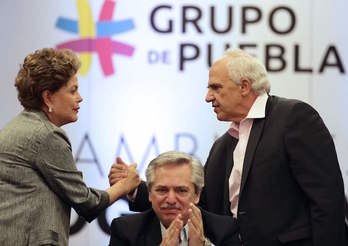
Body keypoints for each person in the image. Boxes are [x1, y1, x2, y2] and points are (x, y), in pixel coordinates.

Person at [109, 49, 347, 246]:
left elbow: (327, 201)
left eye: (215, 87)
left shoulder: (293, 117)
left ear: (244, 86)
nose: (208, 97)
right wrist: (136, 190)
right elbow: (198, 204)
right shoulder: (223, 146)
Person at [0, 48, 140, 246]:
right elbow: (86, 202)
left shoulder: (16, 127)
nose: (80, 97)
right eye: (73, 90)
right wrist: (126, 185)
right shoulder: (46, 135)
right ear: (48, 97)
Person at [109, 151, 241, 246]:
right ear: (149, 193)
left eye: (181, 190)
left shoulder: (224, 230)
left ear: (197, 195)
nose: (171, 200)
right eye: (162, 190)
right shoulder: (126, 231)